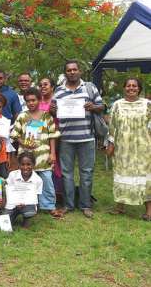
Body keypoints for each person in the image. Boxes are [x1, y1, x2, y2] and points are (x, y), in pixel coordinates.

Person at [51, 60, 104, 218]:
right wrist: (53, 111)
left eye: (75, 70)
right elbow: (54, 112)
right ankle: (68, 205)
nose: (72, 72)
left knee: (86, 172)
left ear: (80, 71)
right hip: (66, 139)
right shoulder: (59, 91)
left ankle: (86, 205)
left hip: (87, 138)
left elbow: (102, 106)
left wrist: (93, 107)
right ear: (65, 73)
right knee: (67, 173)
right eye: (69, 70)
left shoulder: (89, 87)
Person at [11, 88, 61, 217]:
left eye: (33, 100)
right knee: (26, 181)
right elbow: (15, 135)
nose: (31, 103)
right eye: (28, 101)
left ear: (39, 100)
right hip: (26, 157)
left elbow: (53, 135)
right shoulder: (22, 116)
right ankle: (28, 204)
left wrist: (53, 153)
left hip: (44, 156)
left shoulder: (47, 116)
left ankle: (49, 205)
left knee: (47, 180)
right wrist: (23, 143)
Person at [106, 78, 151, 221]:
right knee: (121, 175)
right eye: (128, 86)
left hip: (144, 148)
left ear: (139, 89)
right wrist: (111, 145)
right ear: (124, 88)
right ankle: (120, 206)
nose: (131, 88)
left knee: (146, 178)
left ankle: (149, 210)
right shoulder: (117, 105)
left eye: (134, 86)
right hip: (123, 148)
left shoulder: (148, 105)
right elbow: (112, 127)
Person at [3, 152, 43, 228]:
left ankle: (27, 218)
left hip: (28, 205)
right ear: (19, 164)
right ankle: (11, 216)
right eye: (22, 164)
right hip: (12, 204)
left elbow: (35, 198)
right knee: (4, 226)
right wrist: (14, 203)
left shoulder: (38, 180)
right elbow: (8, 191)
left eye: (28, 164)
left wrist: (26, 202)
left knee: (29, 211)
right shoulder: (12, 175)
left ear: (33, 165)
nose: (25, 167)